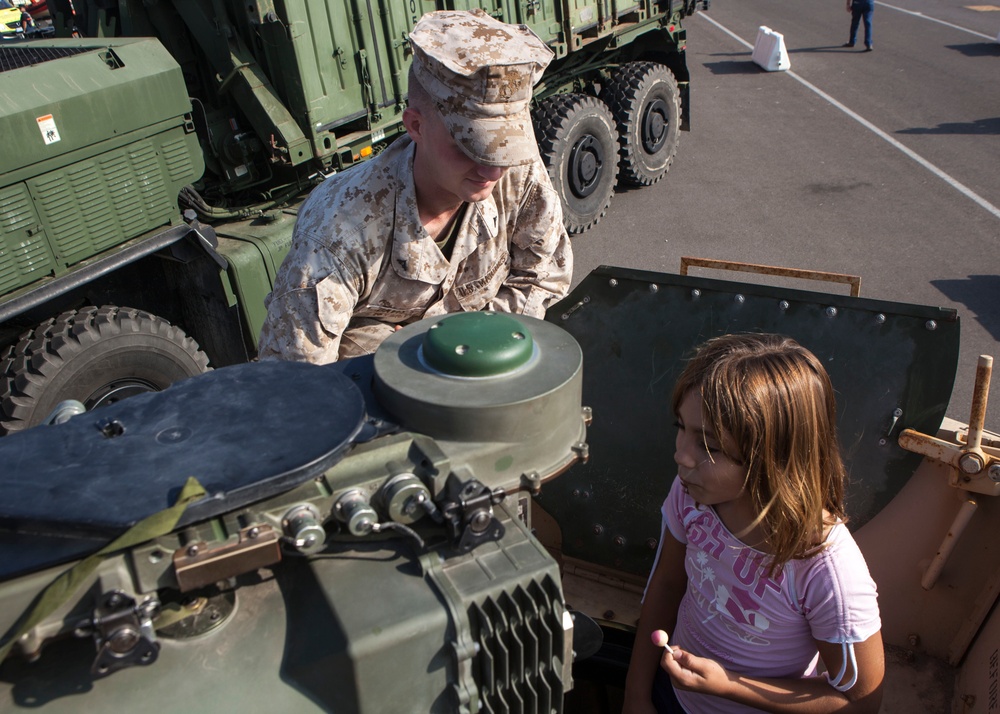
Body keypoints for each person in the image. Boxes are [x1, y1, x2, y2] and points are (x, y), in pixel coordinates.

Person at [257, 9, 572, 363]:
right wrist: (402, 362)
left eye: (506, 147)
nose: (493, 168)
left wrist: (457, 345)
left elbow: (543, 276)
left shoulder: (519, 176)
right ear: (416, 126)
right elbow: (298, 380)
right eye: (472, 146)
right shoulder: (338, 231)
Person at [623, 333, 884, 714]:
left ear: (772, 457)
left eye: (708, 445)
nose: (681, 455)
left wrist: (730, 687)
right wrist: (636, 694)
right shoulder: (692, 494)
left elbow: (860, 701)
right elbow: (667, 583)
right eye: (681, 427)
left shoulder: (826, 570)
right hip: (672, 697)